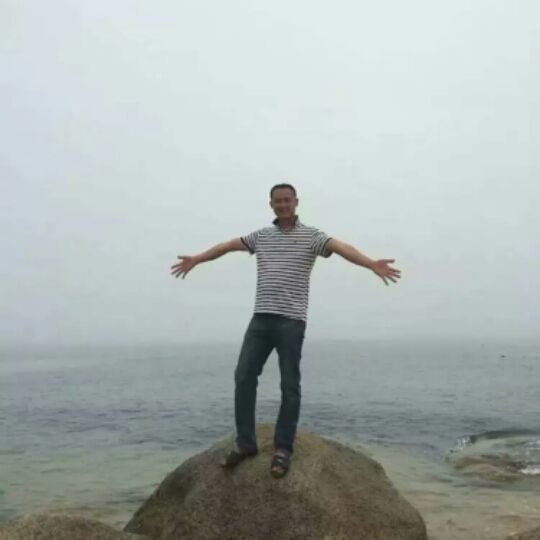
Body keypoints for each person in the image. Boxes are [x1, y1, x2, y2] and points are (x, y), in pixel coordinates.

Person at [170, 183, 401, 478]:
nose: (282, 205)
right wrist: (197, 259)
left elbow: (340, 247)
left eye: (287, 200)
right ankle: (245, 443)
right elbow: (227, 246)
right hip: (261, 319)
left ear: (296, 202)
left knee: (289, 384)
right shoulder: (261, 237)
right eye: (277, 201)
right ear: (271, 205)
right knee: (244, 376)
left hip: (291, 321)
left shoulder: (312, 236)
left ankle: (283, 448)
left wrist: (370, 264)